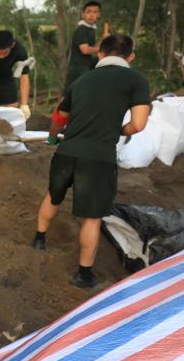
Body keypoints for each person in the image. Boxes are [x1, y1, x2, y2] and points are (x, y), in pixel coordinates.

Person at [32, 34, 150, 289]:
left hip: (67, 151)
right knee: (92, 217)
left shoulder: (82, 79)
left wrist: (53, 139)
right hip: (98, 158)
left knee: (54, 195)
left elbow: (60, 116)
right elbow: (138, 124)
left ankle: (39, 239)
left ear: (100, 54)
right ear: (130, 57)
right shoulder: (136, 79)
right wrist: (118, 130)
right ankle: (84, 274)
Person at [64, 0, 110, 95]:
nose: (91, 15)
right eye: (88, 12)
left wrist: (103, 40)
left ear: (98, 15)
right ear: (83, 15)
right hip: (78, 69)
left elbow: (93, 47)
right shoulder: (81, 29)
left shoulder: (90, 29)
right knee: (69, 97)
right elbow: (85, 50)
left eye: (95, 12)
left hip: (87, 67)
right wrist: (103, 48)